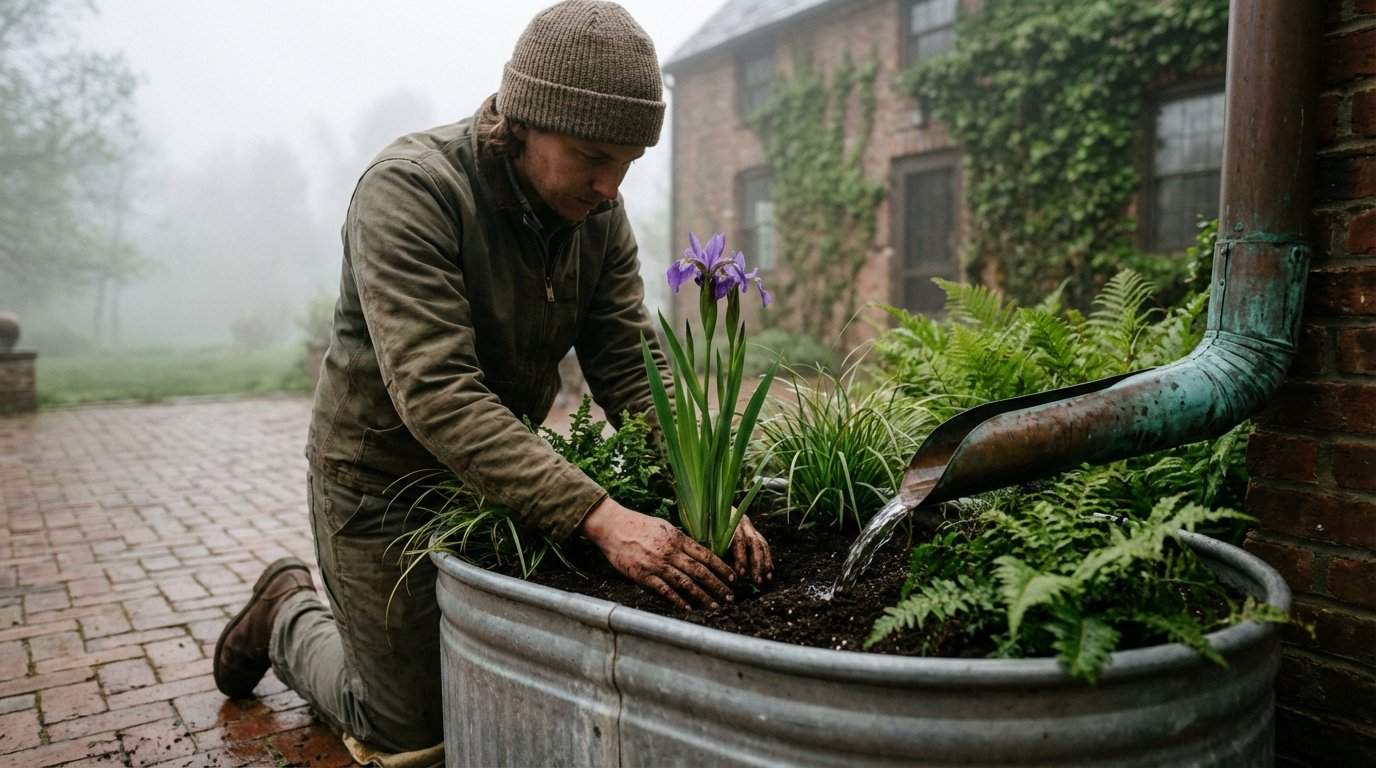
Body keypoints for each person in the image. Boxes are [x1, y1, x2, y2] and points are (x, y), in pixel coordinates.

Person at [211, 0, 774, 755]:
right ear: (526, 120)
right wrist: (601, 517)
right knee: (407, 731)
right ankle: (285, 612)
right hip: (379, 484)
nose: (611, 187)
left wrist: (702, 481)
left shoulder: (595, 216)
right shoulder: (412, 192)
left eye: (629, 162)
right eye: (593, 157)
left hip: (492, 479)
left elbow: (630, 364)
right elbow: (437, 392)